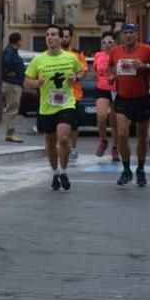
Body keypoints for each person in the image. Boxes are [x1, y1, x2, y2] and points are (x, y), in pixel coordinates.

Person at [24, 24, 84, 190]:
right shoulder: (38, 59)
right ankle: (55, 173)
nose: (50, 37)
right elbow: (26, 80)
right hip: (46, 106)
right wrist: (37, 83)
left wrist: (76, 78)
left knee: (63, 138)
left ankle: (64, 171)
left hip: (67, 103)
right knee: (50, 143)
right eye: (47, 35)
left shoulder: (71, 58)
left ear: (60, 38)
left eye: (53, 34)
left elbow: (81, 72)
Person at [108, 23, 150, 187]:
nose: (129, 35)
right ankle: (126, 170)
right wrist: (111, 76)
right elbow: (111, 65)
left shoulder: (147, 51)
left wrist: (145, 66)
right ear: (122, 35)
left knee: (141, 137)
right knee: (122, 135)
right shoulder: (115, 51)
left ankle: (140, 169)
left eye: (132, 32)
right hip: (123, 98)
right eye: (126, 32)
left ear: (137, 34)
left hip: (142, 98)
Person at [60, 26, 87, 159]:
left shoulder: (77, 53)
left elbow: (83, 71)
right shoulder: (53, 54)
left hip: (74, 94)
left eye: (67, 36)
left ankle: (74, 148)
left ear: (70, 38)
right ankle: (62, 146)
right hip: (57, 94)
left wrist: (76, 78)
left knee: (74, 124)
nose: (64, 39)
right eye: (62, 36)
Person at [92, 32, 117, 157]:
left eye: (110, 42)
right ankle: (103, 140)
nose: (107, 44)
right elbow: (94, 70)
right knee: (101, 117)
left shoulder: (119, 54)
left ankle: (115, 147)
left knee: (115, 121)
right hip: (102, 88)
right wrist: (98, 77)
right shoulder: (98, 55)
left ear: (115, 44)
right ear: (101, 44)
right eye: (105, 42)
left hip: (117, 89)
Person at [1, 32, 25, 143]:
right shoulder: (9, 52)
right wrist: (13, 74)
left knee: (13, 109)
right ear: (18, 41)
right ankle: (10, 134)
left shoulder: (11, 51)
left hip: (14, 84)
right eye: (21, 40)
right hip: (12, 85)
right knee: (12, 109)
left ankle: (10, 133)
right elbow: (6, 66)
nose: (21, 43)